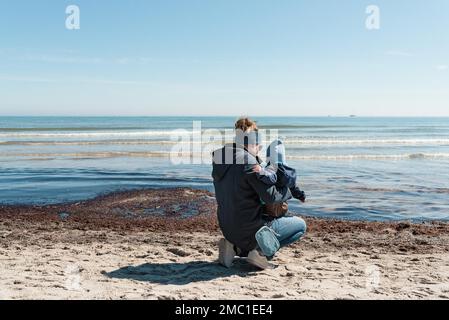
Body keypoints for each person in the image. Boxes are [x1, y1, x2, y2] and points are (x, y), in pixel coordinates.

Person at [212, 117, 307, 270]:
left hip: (228, 227)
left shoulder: (220, 157)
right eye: (258, 146)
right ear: (252, 143)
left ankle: (233, 247)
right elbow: (270, 196)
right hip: (248, 230)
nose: (259, 149)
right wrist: (289, 191)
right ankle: (259, 253)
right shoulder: (249, 161)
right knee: (300, 225)